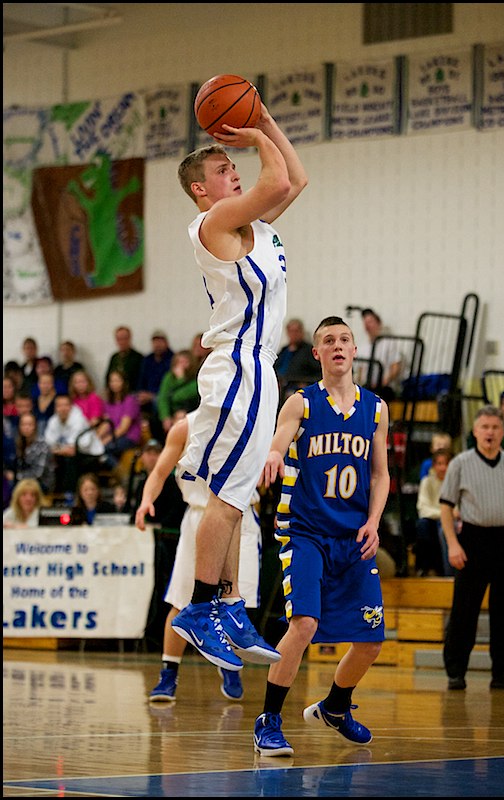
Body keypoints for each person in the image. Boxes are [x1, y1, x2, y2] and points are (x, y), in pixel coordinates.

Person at [170, 99, 307, 670]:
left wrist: (266, 118)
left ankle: (228, 604)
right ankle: (200, 609)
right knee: (226, 498)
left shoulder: (259, 229)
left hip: (261, 369)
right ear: (202, 191)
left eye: (235, 165)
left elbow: (293, 178)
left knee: (238, 497)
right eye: (224, 170)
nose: (236, 174)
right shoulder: (213, 224)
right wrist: (252, 134)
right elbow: (274, 175)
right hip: (237, 367)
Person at [253, 315, 390, 757]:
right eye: (328, 340)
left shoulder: (376, 409)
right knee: (305, 624)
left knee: (370, 640)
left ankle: (335, 705)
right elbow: (279, 439)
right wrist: (274, 456)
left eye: (344, 340)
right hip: (306, 533)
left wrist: (373, 521)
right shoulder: (302, 403)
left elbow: (382, 475)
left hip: (353, 537)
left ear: (354, 350)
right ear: (317, 353)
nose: (337, 346)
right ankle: (269, 719)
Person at [135, 411, 263, 702]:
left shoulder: (251, 418)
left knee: (235, 603)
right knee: (181, 602)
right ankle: (168, 673)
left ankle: (228, 661)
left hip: (239, 517)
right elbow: (158, 472)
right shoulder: (185, 427)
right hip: (198, 515)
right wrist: (145, 501)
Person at [440, 404, 504, 691]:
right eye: (485, 427)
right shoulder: (460, 464)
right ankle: (456, 671)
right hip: (472, 541)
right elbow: (446, 507)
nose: (490, 432)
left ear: (502, 432)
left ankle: (502, 672)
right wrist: (453, 545)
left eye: (495, 427)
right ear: (475, 432)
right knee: (464, 610)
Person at [132, 438, 188, 650]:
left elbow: (176, 512)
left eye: (157, 453)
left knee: (174, 593)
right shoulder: (139, 482)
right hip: (148, 541)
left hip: (170, 541)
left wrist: (159, 525)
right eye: (148, 453)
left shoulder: (173, 481)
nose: (152, 457)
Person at [414, 448, 455, 577]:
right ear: (434, 466)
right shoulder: (426, 482)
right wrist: (444, 514)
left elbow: (459, 509)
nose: (443, 468)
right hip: (433, 521)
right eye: (439, 464)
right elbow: (422, 508)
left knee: (443, 527)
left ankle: (447, 572)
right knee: (422, 524)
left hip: (452, 522)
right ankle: (426, 569)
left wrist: (448, 516)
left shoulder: (456, 483)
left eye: (446, 464)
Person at [98, 369, 142, 468]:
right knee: (95, 449)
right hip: (114, 436)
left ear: (124, 382)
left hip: (129, 437)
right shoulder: (109, 402)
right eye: (112, 381)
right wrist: (97, 437)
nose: (114, 384)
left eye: (117, 380)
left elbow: (123, 428)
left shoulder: (130, 400)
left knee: (104, 449)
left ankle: (122, 475)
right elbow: (106, 424)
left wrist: (108, 439)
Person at [357, 308, 403, 402]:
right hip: (367, 387)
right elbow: (360, 373)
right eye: (365, 322)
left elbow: (396, 367)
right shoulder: (362, 347)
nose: (367, 325)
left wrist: (383, 382)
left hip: (384, 387)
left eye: (370, 322)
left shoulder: (389, 343)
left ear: (378, 323)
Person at [274, 318, 322, 404]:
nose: (294, 334)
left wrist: (306, 384)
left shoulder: (309, 351)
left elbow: (319, 372)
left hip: (296, 388)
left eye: (296, 331)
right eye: (291, 331)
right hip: (279, 387)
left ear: (301, 332)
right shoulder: (284, 350)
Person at [137, 330, 174, 442]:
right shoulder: (147, 360)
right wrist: (141, 393)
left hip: (162, 395)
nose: (157, 345)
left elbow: (169, 386)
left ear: (166, 343)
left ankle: (158, 438)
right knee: (131, 399)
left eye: (160, 341)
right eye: (155, 342)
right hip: (147, 394)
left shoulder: (172, 359)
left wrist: (152, 396)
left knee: (157, 403)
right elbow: (141, 380)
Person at [156, 350, 200, 435]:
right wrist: (165, 417)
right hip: (173, 409)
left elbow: (184, 395)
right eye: (179, 362)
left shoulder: (196, 377)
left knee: (181, 417)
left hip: (191, 408)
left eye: (185, 362)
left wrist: (180, 379)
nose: (181, 365)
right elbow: (163, 397)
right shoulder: (169, 377)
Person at [12, 411, 55, 496]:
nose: (26, 427)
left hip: (42, 484)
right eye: (23, 424)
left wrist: (16, 477)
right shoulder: (18, 444)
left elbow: (37, 473)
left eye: (30, 424)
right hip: (23, 481)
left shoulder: (42, 445)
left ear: (35, 426)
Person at [105, 325, 144, 392]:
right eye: (119, 339)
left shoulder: (138, 358)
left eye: (125, 338)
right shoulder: (114, 357)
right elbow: (107, 377)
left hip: (132, 393)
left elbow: (141, 380)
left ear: (130, 338)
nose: (122, 342)